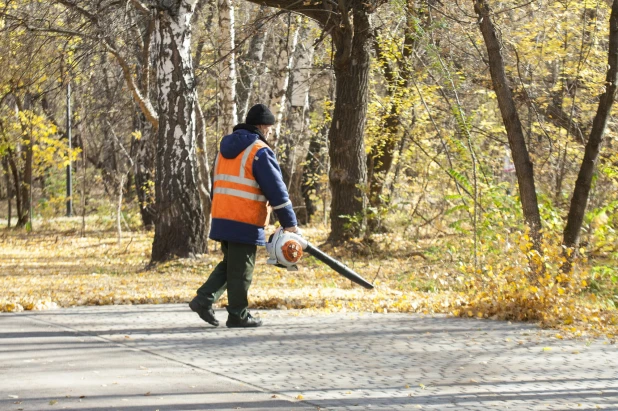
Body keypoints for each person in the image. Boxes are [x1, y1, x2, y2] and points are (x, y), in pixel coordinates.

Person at [189, 104, 299, 328]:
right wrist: (290, 223)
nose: (269, 133)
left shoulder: (224, 150)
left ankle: (204, 298)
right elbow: (276, 189)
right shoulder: (259, 151)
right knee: (243, 269)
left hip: (222, 215)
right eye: (268, 128)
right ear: (261, 126)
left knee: (232, 265)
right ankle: (238, 315)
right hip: (244, 218)